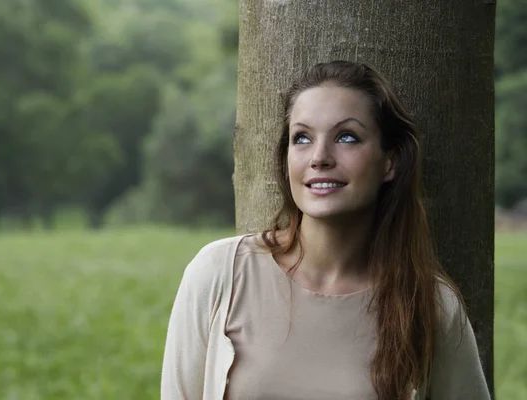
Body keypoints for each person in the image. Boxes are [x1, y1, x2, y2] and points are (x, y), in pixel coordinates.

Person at [161, 60, 491, 400]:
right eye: (302, 138)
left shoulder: (431, 304)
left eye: (346, 137)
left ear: (389, 162)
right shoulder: (220, 274)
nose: (319, 157)